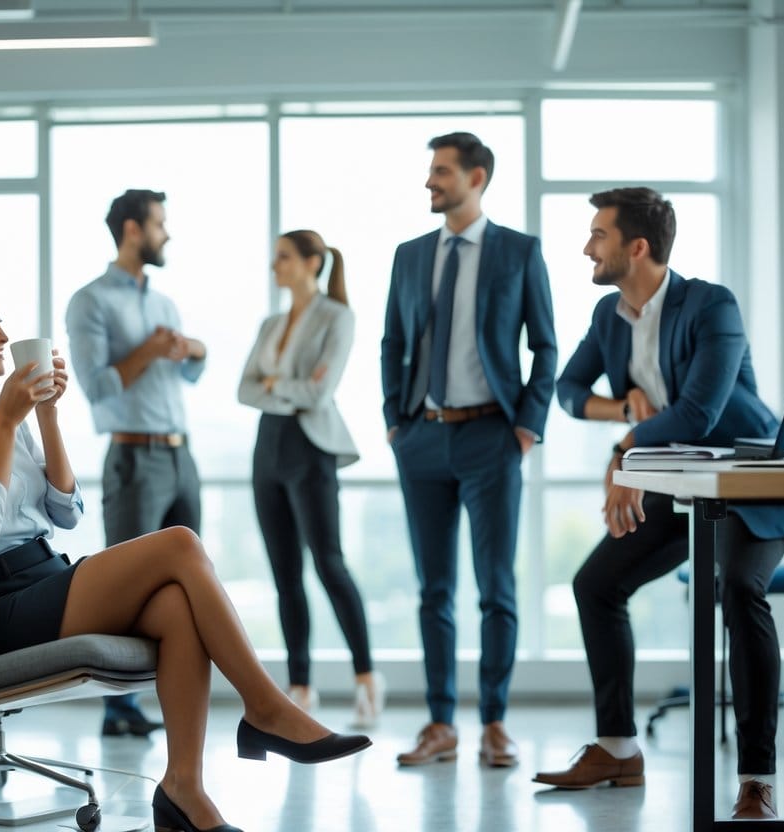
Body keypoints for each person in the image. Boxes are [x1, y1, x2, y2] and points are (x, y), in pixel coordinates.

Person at [0, 280, 371, 832]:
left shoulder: (3, 415)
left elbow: (65, 511)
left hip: (47, 573)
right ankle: (265, 708)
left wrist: (45, 416)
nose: (4, 336)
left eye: (0, 321)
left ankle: (184, 790)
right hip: (1, 604)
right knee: (181, 543)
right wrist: (8, 425)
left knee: (176, 608)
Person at [532, 188, 784, 820]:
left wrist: (625, 451)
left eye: (597, 235)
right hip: (679, 480)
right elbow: (569, 390)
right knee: (595, 585)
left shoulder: (711, 304)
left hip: (748, 482)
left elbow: (700, 411)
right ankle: (617, 748)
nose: (586, 246)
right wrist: (625, 408)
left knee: (739, 588)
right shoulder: (611, 315)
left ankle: (756, 779)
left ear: (637, 247)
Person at [380, 132, 557, 768]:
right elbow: (391, 340)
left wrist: (527, 425)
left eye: (442, 172)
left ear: (476, 178)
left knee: (496, 589)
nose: (431, 182)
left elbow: (546, 346)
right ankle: (438, 723)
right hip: (421, 437)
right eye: (431, 171)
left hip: (491, 437)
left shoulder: (518, 252)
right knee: (434, 591)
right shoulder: (409, 255)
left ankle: (495, 723)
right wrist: (395, 424)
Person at [66, 188, 204, 739]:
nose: (166, 233)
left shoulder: (164, 302)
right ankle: (118, 708)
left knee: (190, 584)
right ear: (131, 230)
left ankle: (173, 702)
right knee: (128, 588)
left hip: (180, 455)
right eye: (159, 224)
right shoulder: (90, 301)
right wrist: (148, 350)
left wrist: (192, 349)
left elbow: (189, 374)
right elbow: (96, 386)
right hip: (132, 456)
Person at [237, 230, 385, 728]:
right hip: (269, 449)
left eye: (283, 257)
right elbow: (244, 389)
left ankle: (366, 678)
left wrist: (274, 386)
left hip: (311, 448)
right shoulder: (270, 322)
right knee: (285, 575)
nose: (274, 265)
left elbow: (321, 396)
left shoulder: (337, 317)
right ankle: (300, 684)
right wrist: (287, 389)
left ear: (311, 263)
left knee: (329, 563)